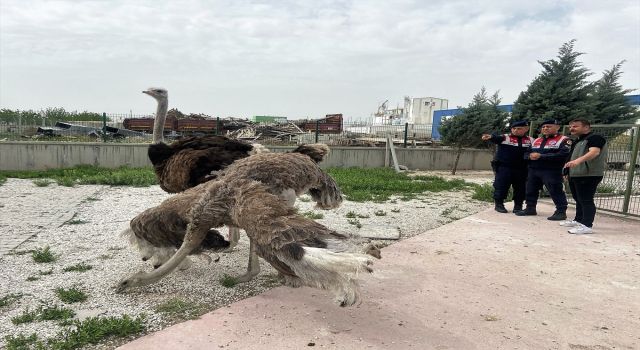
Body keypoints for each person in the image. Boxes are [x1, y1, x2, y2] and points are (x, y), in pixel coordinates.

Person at [515, 119, 572, 220]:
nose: (545, 128)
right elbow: (526, 153)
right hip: (534, 170)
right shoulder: (537, 140)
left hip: (551, 170)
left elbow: (562, 155)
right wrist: (529, 156)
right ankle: (530, 208)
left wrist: (541, 156)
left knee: (555, 190)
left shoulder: (564, 140)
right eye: (543, 127)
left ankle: (561, 211)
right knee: (530, 189)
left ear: (557, 127)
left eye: (548, 126)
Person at [560, 118, 607, 234]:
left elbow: (594, 152)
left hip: (589, 174)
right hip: (576, 174)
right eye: (571, 126)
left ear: (586, 127)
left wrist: (577, 161)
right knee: (578, 199)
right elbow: (570, 156)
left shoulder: (595, 138)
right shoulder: (578, 140)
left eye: (575, 126)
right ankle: (578, 220)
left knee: (586, 200)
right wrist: (567, 171)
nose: (572, 128)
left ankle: (587, 225)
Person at [481, 120, 533, 213]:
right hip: (505, 168)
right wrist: (491, 137)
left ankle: (518, 206)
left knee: (521, 188)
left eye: (519, 128)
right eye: (514, 128)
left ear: (526, 129)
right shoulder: (506, 137)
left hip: (522, 169)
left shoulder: (530, 140)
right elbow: (497, 138)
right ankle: (499, 204)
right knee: (501, 186)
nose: (516, 130)